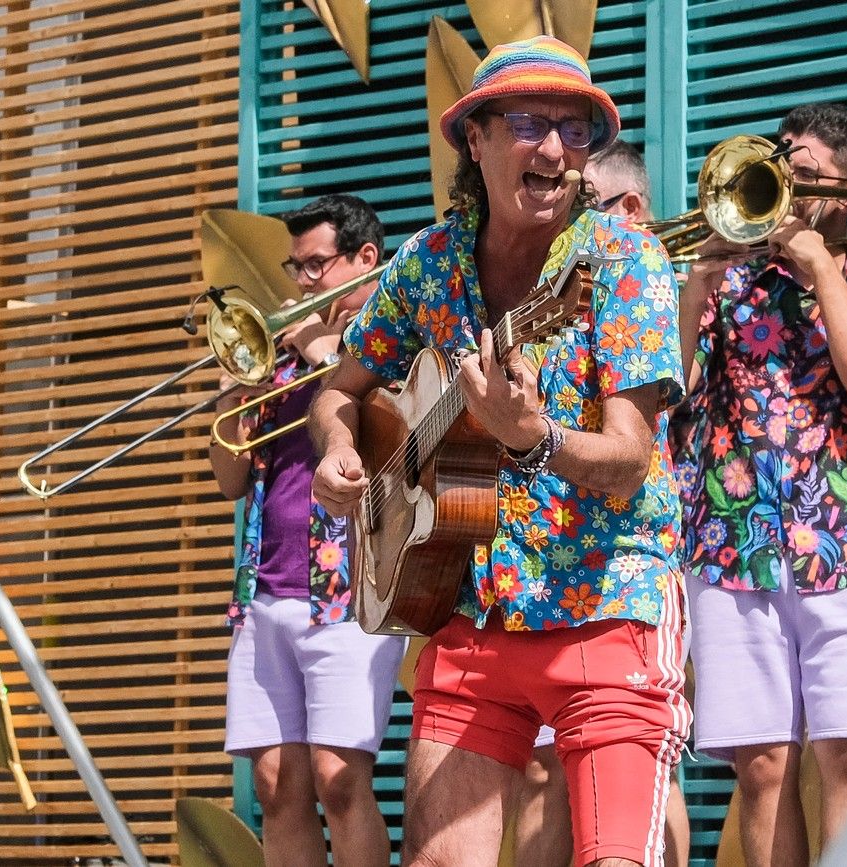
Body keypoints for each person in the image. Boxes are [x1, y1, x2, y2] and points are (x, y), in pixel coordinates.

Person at [309, 36, 691, 867]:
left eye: (575, 129)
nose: (554, 149)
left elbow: (631, 459)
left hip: (609, 597)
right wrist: (340, 446)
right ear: (475, 140)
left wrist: (534, 437)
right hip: (472, 607)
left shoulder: (625, 260)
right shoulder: (426, 264)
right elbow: (339, 390)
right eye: (528, 123)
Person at [676, 102, 847, 867]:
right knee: (763, 765)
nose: (788, 183)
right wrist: (695, 288)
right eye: (780, 165)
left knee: (844, 752)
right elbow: (663, 404)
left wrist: (821, 267)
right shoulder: (730, 279)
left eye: (805, 171)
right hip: (732, 541)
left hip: (840, 540)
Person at [212, 193, 406, 866]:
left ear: (365, 258)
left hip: (351, 591)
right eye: (296, 267)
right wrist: (234, 386)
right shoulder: (283, 360)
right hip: (266, 594)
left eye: (315, 265)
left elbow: (396, 426)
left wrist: (327, 355)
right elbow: (229, 479)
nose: (301, 281)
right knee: (275, 785)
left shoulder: (393, 341)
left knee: (340, 779)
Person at [514, 138, 692, 867]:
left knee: (639, 764)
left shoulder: (640, 269)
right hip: (537, 572)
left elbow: (666, 402)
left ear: (629, 208)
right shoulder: (541, 278)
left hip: (628, 563)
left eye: (585, 200)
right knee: (545, 772)